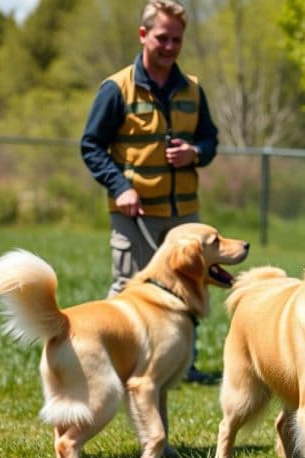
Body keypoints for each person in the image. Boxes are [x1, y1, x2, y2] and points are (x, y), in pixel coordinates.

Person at [81, 0, 220, 383]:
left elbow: (211, 140)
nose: (170, 46)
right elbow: (91, 146)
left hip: (183, 217)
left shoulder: (193, 89)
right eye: (162, 38)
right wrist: (120, 187)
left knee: (187, 288)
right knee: (128, 287)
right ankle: (106, 360)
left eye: (177, 39)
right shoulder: (116, 88)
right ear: (143, 35)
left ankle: (180, 364)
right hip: (134, 212)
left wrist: (195, 152)